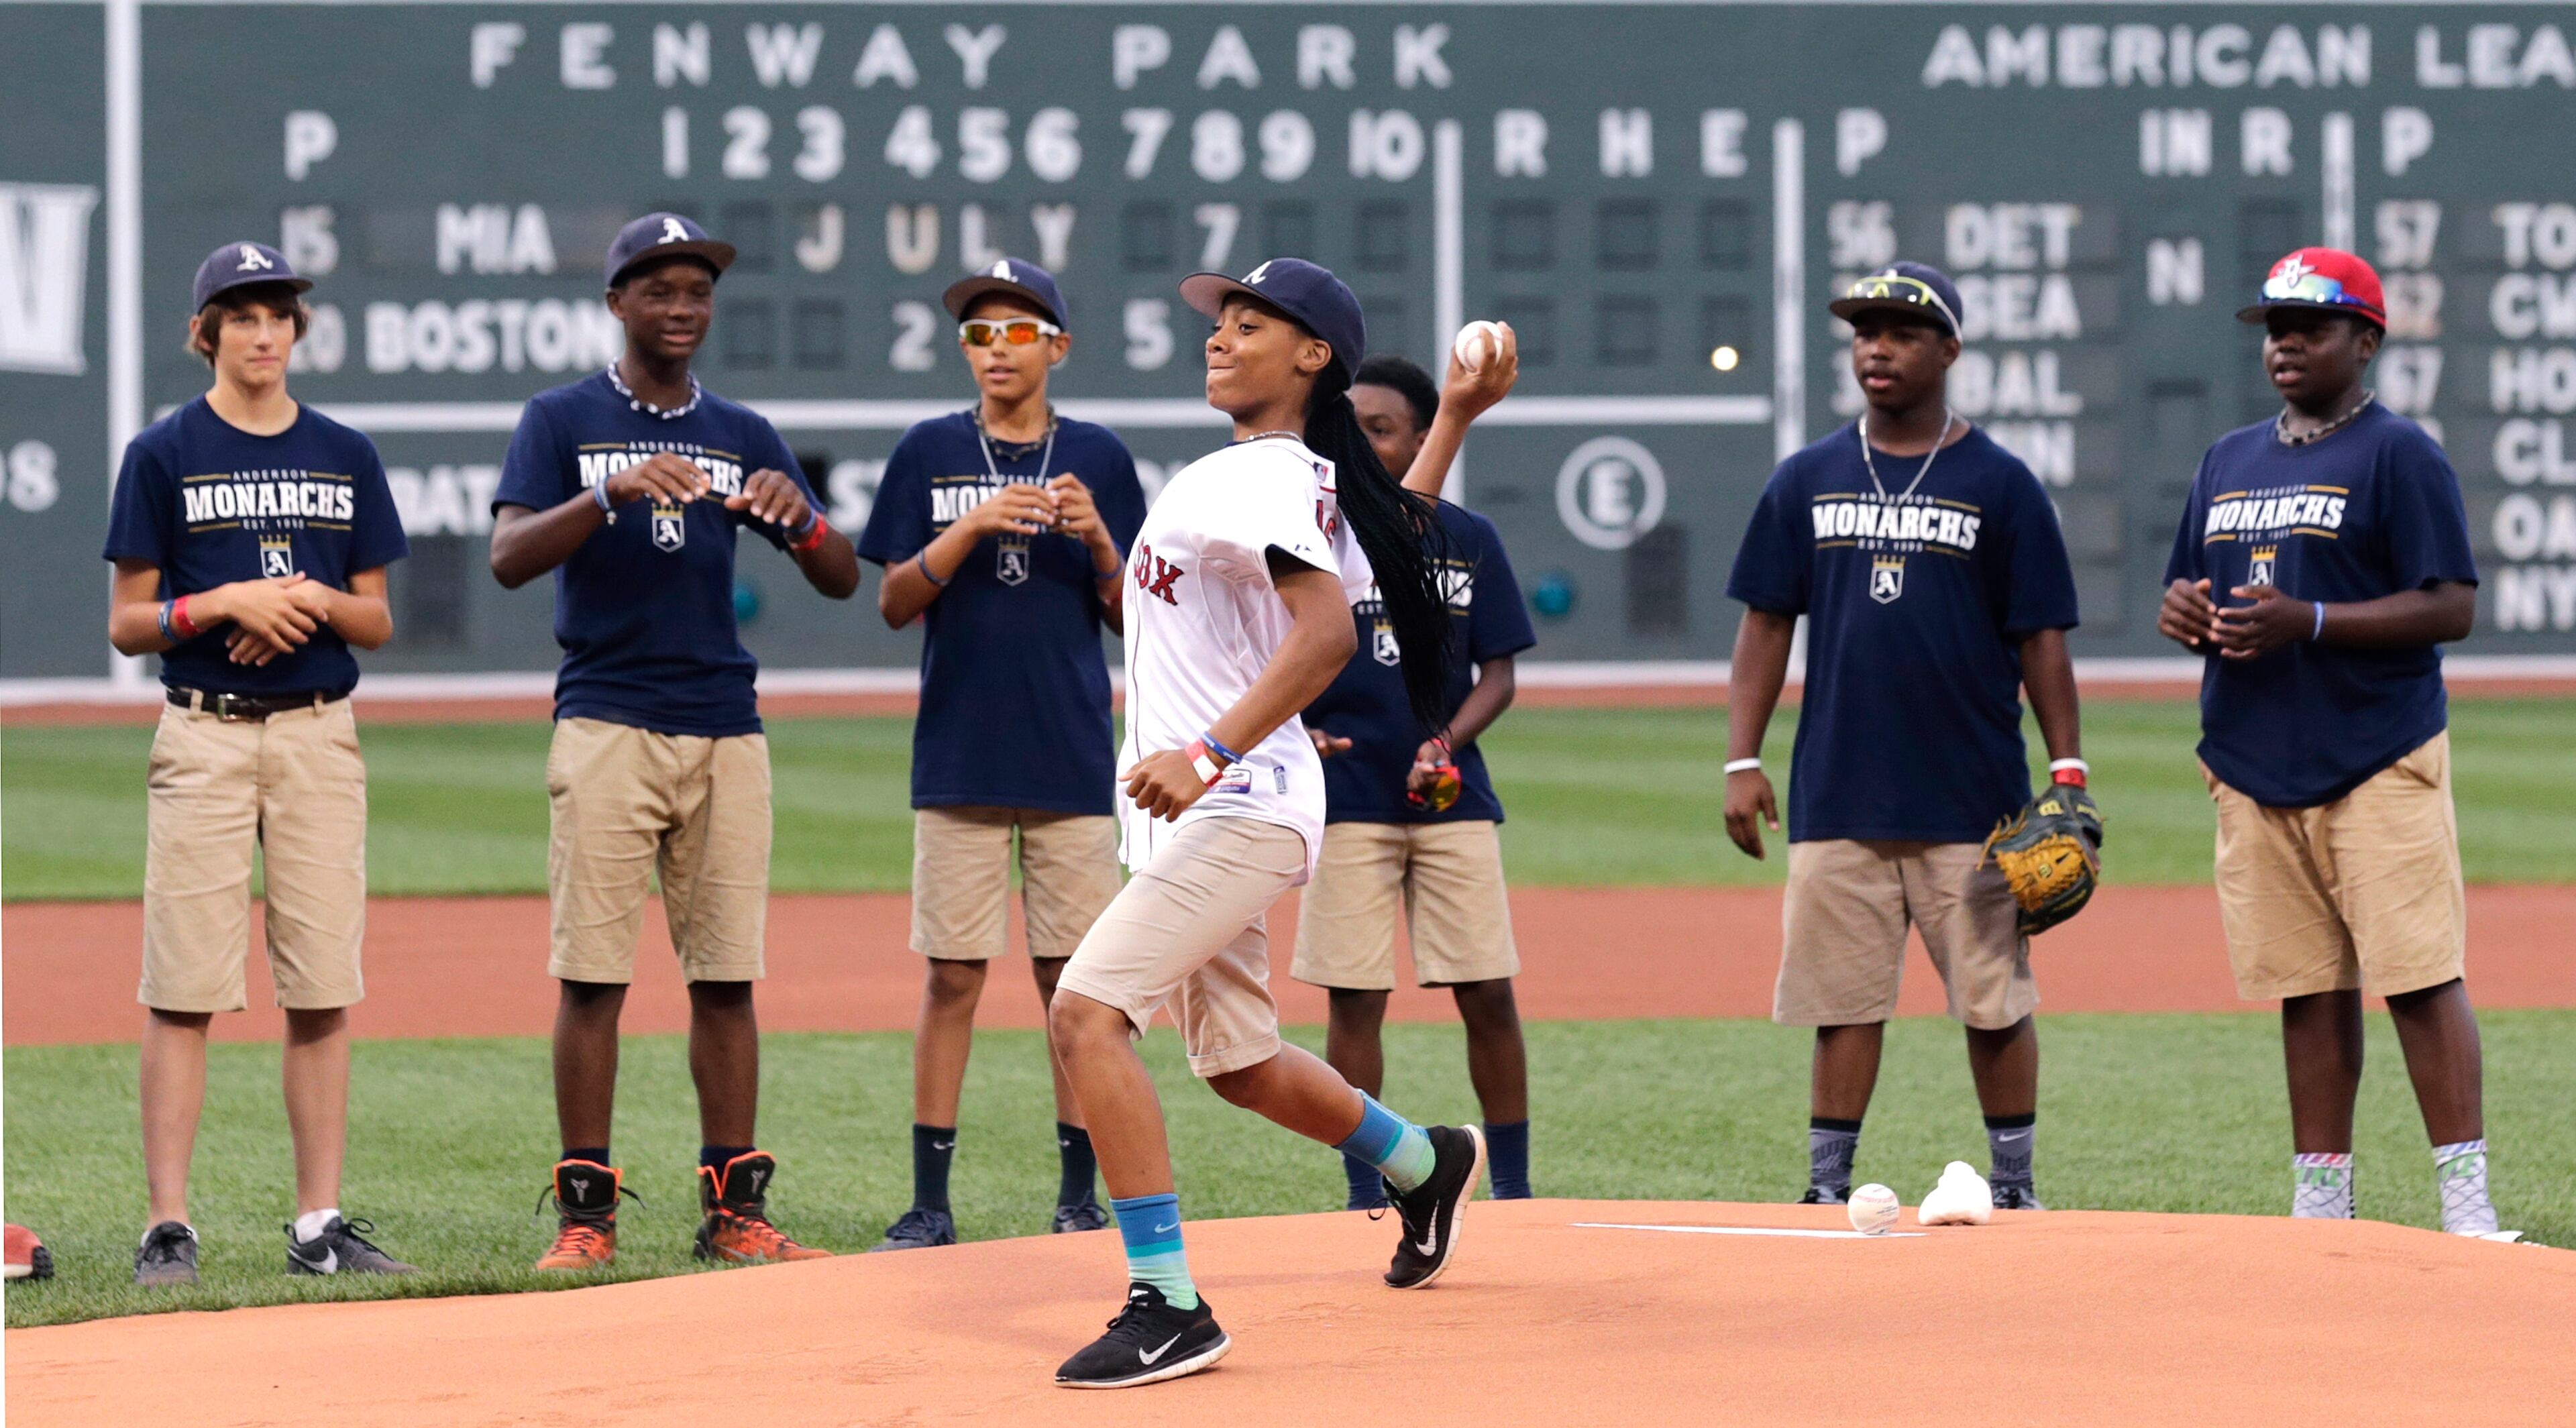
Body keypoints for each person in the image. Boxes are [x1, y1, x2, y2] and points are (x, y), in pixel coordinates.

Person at [1042, 260, 1491, 1389]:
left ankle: (1168, 1301)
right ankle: (1419, 1157)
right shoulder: (1299, 478)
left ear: (1313, 357)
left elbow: (1328, 635)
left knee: (1087, 1013)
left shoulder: (1260, 477)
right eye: (1219, 321)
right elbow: (1396, 537)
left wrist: (1205, 756)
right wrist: (1454, 419)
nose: (1220, 336)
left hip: (1235, 806)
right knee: (1238, 1061)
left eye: (1252, 323)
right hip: (1227, 808)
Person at [489, 213, 862, 1270]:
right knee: (594, 979)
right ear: (618, 302)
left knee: (728, 979)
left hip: (723, 726)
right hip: (606, 716)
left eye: (697, 290)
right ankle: (587, 1215)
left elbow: (840, 577)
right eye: (659, 290)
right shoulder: (562, 417)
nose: (683, 307)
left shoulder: (740, 430)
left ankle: (734, 1207)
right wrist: (605, 490)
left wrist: (804, 522)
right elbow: (510, 555)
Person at [2156, 248, 2509, 1238]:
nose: (2287, 343)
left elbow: (2453, 606)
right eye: (2275, 327)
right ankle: (2322, 1201)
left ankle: (2466, 1201)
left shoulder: (2400, 454)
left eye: (2310, 325)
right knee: (2306, 988)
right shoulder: (2228, 459)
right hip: (2253, 757)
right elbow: (2196, 586)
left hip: (2374, 752)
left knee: (2419, 976)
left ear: (2367, 339)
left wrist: (2309, 621)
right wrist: (2183, 610)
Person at [1723, 262, 2086, 1212]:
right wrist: (1742, 756)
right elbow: (1766, 622)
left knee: (1994, 1001)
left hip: (1975, 795)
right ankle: (1823, 1184)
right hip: (1839, 787)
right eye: (1864, 332)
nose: (1877, 347)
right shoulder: (1807, 476)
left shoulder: (2000, 484)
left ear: (1950, 350)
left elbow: (2040, 637)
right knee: (1841, 1004)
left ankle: (2014, 1188)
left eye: (1902, 332)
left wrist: (2070, 769)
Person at [102, 241, 415, 1286]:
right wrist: (226, 601)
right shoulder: (164, 451)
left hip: (319, 730)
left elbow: (374, 615)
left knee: (322, 984)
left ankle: (318, 1223)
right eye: (242, 315)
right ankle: (168, 1225)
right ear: (206, 333)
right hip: (206, 729)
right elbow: (129, 621)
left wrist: (312, 602)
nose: (265, 331)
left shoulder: (345, 452)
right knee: (184, 981)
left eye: (279, 313)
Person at [857, 260, 1147, 1249]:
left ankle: (1078, 1196)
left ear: (1057, 347)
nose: (995, 351)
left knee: (1073, 984)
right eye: (978, 335)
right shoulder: (930, 449)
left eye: (1016, 332)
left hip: (1069, 753)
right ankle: (929, 1202)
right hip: (961, 753)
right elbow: (895, 602)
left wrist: (1102, 537)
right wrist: (971, 524)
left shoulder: (1098, 456)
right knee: (951, 978)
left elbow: (1134, 617)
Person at [1295, 353, 1538, 1209]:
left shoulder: (1468, 537)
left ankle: (1512, 1184)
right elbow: (1263, 656)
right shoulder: (1317, 537)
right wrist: (1297, 730)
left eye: (1383, 427)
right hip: (1348, 798)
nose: (1362, 440)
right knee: (1355, 1001)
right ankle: (1366, 1191)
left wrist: (1445, 736)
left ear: (1427, 434)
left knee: (1487, 990)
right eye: (1350, 426)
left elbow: (1498, 674)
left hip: (1450, 800)